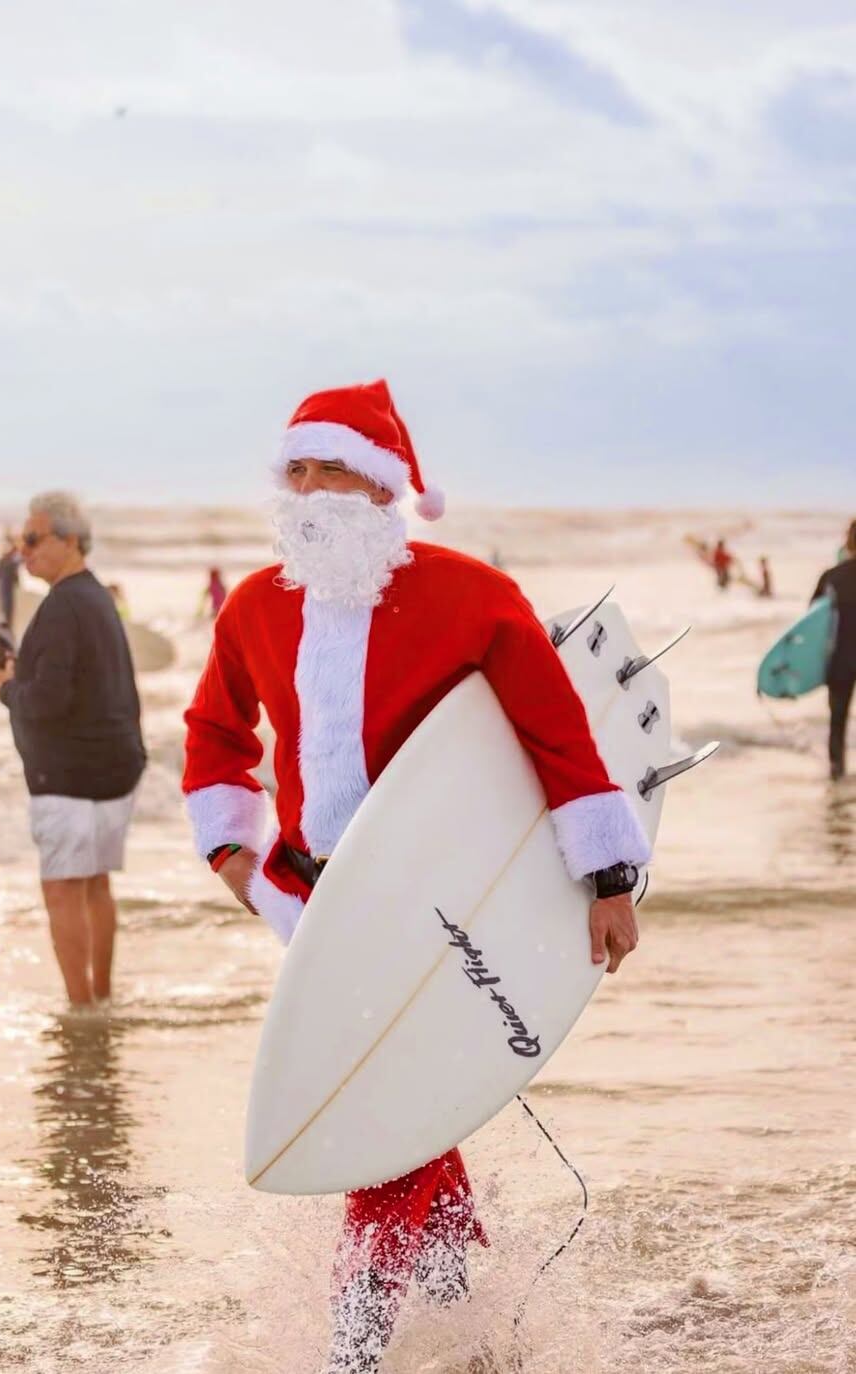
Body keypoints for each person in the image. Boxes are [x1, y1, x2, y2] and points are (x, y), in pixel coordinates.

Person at [182, 380, 651, 1371]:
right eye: (294, 471)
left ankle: (358, 1349)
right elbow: (214, 736)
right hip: (319, 910)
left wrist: (607, 878)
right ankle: (456, 1310)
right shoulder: (257, 608)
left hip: (440, 907)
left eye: (328, 468)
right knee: (397, 1105)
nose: (307, 490)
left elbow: (555, 735)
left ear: (382, 483)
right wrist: (234, 859)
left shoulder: (472, 596)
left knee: (385, 1116)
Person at [0, 492, 146, 1006]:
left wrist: (4, 688)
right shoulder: (96, 597)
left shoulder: (60, 607)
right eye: (19, 541)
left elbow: (47, 702)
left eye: (33, 539)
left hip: (69, 775)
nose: (23, 551)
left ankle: (82, 1011)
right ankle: (100, 995)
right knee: (95, 884)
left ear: (70, 539)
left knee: (62, 889)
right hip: (115, 767)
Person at [811, 519, 856, 780]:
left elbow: (811, 623)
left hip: (840, 659)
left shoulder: (832, 576)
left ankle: (836, 775)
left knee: (837, 722)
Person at [0, 529, 22, 627]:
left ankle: (7, 626)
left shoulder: (10, 559)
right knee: (6, 609)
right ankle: (7, 627)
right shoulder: (8, 559)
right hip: (6, 587)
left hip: (7, 587)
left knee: (7, 608)